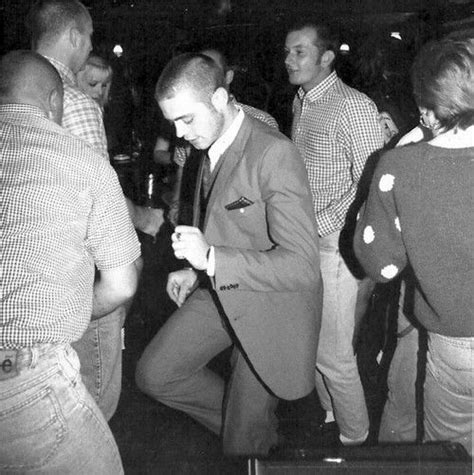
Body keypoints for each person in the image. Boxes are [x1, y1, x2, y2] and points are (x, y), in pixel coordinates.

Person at [135, 53, 323, 456]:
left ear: (220, 98)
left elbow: (303, 267)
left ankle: (248, 439)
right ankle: (255, 436)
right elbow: (226, 225)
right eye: (172, 122)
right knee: (155, 375)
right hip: (222, 289)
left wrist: (211, 260)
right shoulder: (211, 142)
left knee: (241, 444)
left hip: (269, 306)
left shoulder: (274, 153)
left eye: (186, 119)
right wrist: (195, 271)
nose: (180, 134)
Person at [0, 50, 141, 473]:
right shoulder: (82, 160)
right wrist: (79, 308)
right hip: (24, 384)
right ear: (55, 102)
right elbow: (122, 284)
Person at [26, 0, 160, 421]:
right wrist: (142, 223)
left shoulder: (14, 89)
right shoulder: (73, 102)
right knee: (91, 407)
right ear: (75, 37)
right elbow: (99, 207)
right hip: (77, 277)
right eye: (89, 38)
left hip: (26, 282)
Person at [354, 35, 474, 455]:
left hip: (459, 345)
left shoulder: (400, 166)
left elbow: (378, 264)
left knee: (453, 454)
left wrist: (400, 155)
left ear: (427, 107)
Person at [284, 20, 385, 445]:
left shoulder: (352, 106)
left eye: (299, 52)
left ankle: (357, 440)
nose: (289, 60)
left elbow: (370, 185)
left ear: (326, 57)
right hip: (306, 239)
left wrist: (318, 225)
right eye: (287, 52)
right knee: (315, 347)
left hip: (336, 242)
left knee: (334, 353)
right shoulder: (301, 101)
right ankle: (331, 418)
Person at [159, 47, 279, 226]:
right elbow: (182, 169)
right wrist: (178, 206)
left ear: (228, 77)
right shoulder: (189, 128)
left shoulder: (262, 124)